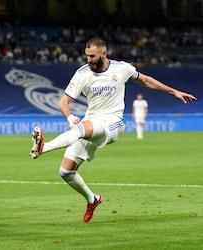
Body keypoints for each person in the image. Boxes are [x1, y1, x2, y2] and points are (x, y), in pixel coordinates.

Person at [29, 37, 196, 223]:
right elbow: (63, 102)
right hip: (91, 122)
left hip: (113, 122)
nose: (89, 59)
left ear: (103, 53)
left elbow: (147, 81)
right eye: (87, 56)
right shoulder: (82, 74)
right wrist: (69, 117)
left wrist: (174, 92)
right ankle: (93, 200)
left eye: (92, 56)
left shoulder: (121, 68)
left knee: (82, 128)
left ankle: (44, 147)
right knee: (66, 172)